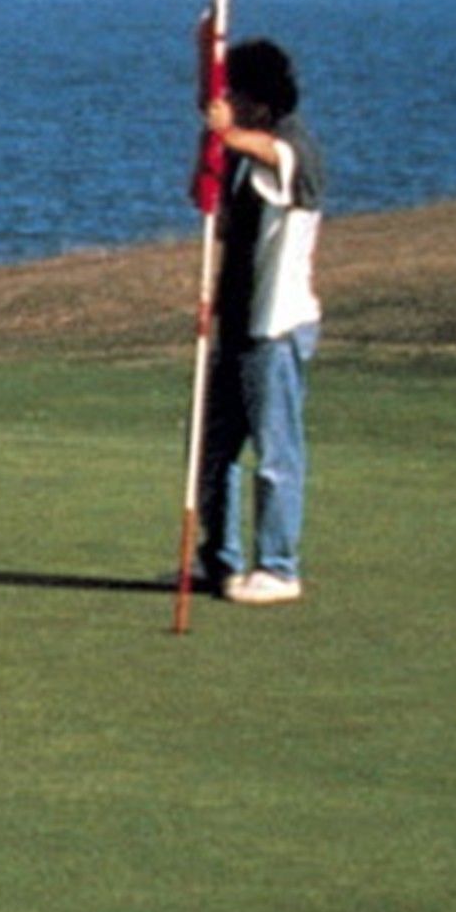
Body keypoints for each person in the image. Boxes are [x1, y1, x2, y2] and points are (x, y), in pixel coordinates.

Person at [195, 38, 325, 604]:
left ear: (261, 103)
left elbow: (276, 156)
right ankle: (219, 562)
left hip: (276, 325)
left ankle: (278, 567)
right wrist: (212, 143)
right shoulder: (244, 158)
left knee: (275, 454)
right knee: (213, 449)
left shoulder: (294, 147)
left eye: (237, 96)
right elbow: (214, 209)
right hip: (236, 320)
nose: (229, 104)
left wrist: (226, 131)